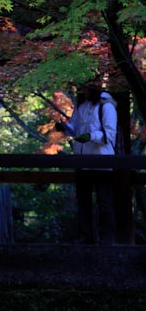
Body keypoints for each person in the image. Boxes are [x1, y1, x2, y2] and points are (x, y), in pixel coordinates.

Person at [55, 83, 117, 245]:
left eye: (86, 88)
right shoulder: (82, 107)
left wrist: (91, 136)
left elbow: (109, 134)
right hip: (82, 160)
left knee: (103, 201)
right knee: (83, 200)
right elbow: (75, 128)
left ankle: (106, 238)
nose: (83, 91)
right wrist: (64, 127)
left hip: (101, 160)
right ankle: (85, 236)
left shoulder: (106, 107)